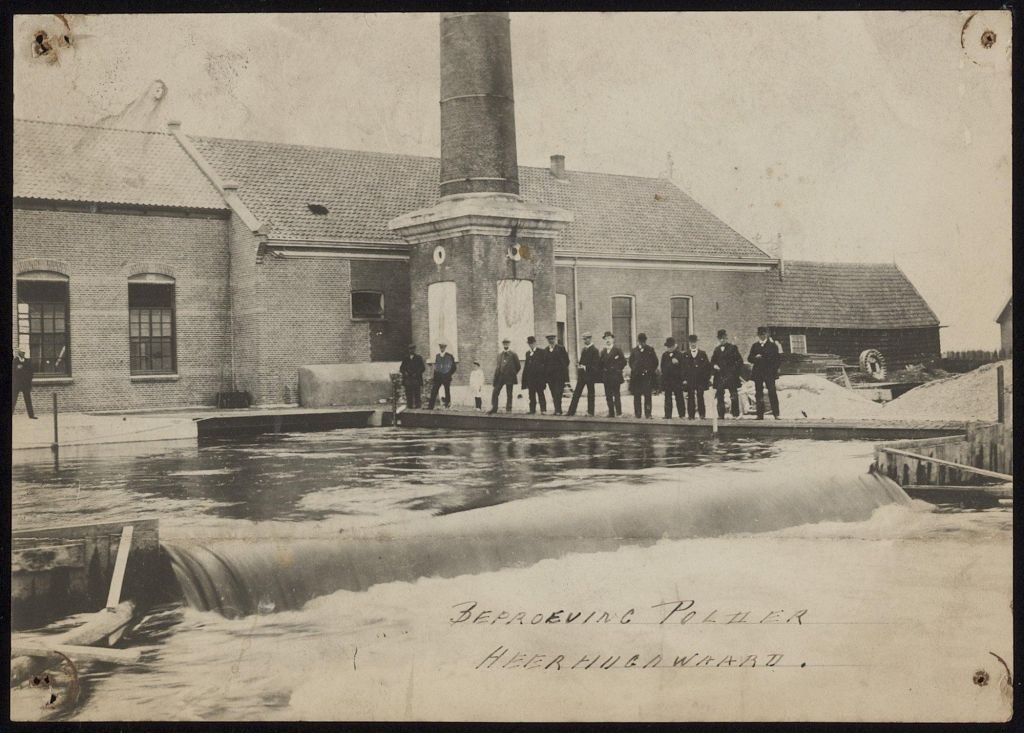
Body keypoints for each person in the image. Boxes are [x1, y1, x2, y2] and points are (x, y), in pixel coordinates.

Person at [748, 326, 781, 419]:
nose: (762, 336)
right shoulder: (755, 346)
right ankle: (760, 415)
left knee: (772, 392)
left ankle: (776, 414)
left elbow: (777, 359)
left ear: (766, 334)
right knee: (758, 393)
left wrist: (773, 370)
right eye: (760, 335)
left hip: (769, 373)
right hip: (758, 373)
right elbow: (749, 358)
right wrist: (755, 358)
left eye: (763, 334)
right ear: (758, 335)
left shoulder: (772, 345)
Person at [710, 328, 743, 418]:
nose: (722, 340)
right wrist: (714, 366)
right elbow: (712, 361)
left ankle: (735, 414)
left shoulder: (733, 348)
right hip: (720, 376)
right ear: (718, 339)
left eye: (724, 338)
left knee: (733, 394)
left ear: (726, 338)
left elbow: (740, 361)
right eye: (720, 338)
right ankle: (721, 415)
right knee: (720, 395)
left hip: (731, 376)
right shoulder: (716, 350)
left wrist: (734, 371)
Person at [566, 332, 600, 417]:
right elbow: (581, 361)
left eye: (586, 338)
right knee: (576, 393)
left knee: (591, 394)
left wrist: (585, 367)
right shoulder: (584, 349)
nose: (585, 340)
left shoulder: (595, 350)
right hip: (582, 376)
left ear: (590, 338)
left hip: (590, 376)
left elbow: (596, 365)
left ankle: (590, 412)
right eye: (584, 339)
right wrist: (579, 365)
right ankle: (571, 411)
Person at [681, 334, 712, 419]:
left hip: (700, 380)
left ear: (697, 342)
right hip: (690, 380)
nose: (693, 344)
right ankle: (691, 415)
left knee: (700, 396)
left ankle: (702, 415)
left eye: (694, 342)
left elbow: (707, 367)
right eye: (691, 342)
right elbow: (683, 368)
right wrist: (684, 379)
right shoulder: (685, 354)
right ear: (689, 343)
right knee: (690, 397)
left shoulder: (702, 354)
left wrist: (706, 379)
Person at [628, 332, 658, 418]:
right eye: (641, 341)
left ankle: (648, 414)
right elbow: (631, 362)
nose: (642, 343)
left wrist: (649, 370)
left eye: (644, 341)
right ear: (638, 341)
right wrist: (635, 370)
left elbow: (655, 362)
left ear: (646, 341)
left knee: (647, 395)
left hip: (647, 377)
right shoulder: (634, 351)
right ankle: (638, 414)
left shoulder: (650, 350)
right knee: (637, 396)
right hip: (637, 377)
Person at [489, 338, 521, 414]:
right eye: (504, 343)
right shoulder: (500, 355)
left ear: (509, 344)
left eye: (507, 343)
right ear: (503, 344)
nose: (506, 344)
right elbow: (498, 366)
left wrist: (512, 373)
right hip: (500, 377)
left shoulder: (513, 354)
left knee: (509, 393)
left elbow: (518, 366)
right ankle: (494, 408)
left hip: (509, 377)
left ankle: (508, 409)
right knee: (495, 391)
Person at [599, 331, 626, 417]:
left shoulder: (617, 350)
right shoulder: (603, 352)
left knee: (616, 394)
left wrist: (618, 369)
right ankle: (611, 412)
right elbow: (600, 363)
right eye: (606, 339)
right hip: (607, 377)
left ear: (613, 339)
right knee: (608, 395)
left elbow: (624, 361)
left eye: (609, 338)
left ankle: (619, 412)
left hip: (615, 376)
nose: (608, 340)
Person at [543, 334, 570, 415]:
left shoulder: (561, 348)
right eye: (549, 340)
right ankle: (557, 410)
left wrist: (562, 370)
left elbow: (567, 361)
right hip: (550, 376)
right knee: (553, 393)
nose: (551, 341)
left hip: (559, 376)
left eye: (552, 339)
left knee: (558, 392)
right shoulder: (546, 350)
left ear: (555, 340)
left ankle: (559, 410)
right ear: (548, 341)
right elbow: (544, 362)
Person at [521, 336, 548, 415]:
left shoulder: (541, 352)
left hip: (539, 378)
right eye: (529, 344)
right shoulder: (528, 353)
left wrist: (544, 378)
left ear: (535, 343)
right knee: (531, 395)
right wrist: (525, 379)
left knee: (540, 394)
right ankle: (532, 409)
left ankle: (543, 409)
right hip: (531, 379)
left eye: (532, 343)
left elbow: (545, 365)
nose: (531, 345)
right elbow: (526, 366)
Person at [660, 337, 685, 419]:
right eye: (667, 347)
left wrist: (677, 364)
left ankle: (682, 414)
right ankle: (667, 414)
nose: (669, 348)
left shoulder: (680, 355)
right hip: (667, 380)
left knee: (679, 397)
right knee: (667, 397)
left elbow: (683, 368)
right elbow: (662, 367)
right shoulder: (664, 355)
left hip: (677, 380)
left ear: (674, 346)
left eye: (670, 347)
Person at [427, 342, 456, 409]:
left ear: (445, 348)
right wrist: (435, 376)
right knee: (434, 390)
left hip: (446, 377)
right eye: (441, 347)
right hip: (438, 377)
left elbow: (453, 367)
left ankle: (447, 405)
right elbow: (436, 367)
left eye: (443, 347)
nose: (442, 349)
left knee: (447, 391)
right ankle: (430, 406)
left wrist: (448, 374)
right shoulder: (437, 356)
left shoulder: (449, 356)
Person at [11, 346, 37, 419]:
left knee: (28, 400)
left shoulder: (28, 361)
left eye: (24, 352)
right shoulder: (14, 362)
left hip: (25, 384)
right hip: (17, 384)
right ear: (19, 353)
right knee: (13, 400)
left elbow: (31, 372)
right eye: (21, 352)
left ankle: (31, 415)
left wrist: (29, 382)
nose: (23, 354)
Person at [398, 343, 425, 409]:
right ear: (408, 350)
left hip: (416, 379)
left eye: (413, 349)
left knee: (417, 393)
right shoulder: (405, 358)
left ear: (415, 349)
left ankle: (418, 406)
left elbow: (422, 368)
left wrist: (417, 373)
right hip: (408, 379)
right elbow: (401, 368)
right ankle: (409, 406)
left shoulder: (418, 358)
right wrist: (405, 373)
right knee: (408, 394)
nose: (411, 350)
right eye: (410, 349)